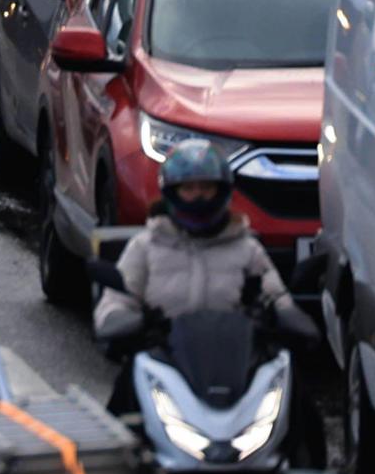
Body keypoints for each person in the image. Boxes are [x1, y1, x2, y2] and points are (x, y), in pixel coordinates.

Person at [93, 136, 285, 356]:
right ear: (172, 192)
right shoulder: (145, 246)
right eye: (189, 188)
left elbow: (277, 298)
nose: (198, 196)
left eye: (206, 187)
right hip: (163, 362)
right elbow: (115, 303)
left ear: (221, 190)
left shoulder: (247, 248)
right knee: (125, 388)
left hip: (232, 361)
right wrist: (133, 320)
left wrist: (281, 315)